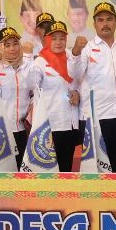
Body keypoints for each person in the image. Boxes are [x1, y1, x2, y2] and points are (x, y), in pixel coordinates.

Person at [68, 2, 116, 173]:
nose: (105, 24)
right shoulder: (86, 48)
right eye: (100, 20)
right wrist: (75, 52)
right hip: (94, 117)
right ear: (94, 24)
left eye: (109, 19)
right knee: (95, 169)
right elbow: (74, 73)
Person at [24, 21, 81, 172]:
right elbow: (30, 84)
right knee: (47, 170)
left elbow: (80, 81)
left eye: (62, 38)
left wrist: (77, 93)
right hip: (49, 125)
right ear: (47, 40)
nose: (58, 42)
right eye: (54, 38)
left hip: (69, 123)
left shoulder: (72, 57)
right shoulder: (40, 61)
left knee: (65, 169)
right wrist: (28, 59)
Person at [0, 27, 34, 170]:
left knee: (20, 171)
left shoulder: (26, 66)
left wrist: (28, 58)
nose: (12, 48)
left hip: (20, 128)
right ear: (0, 47)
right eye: (7, 45)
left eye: (15, 44)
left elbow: (33, 85)